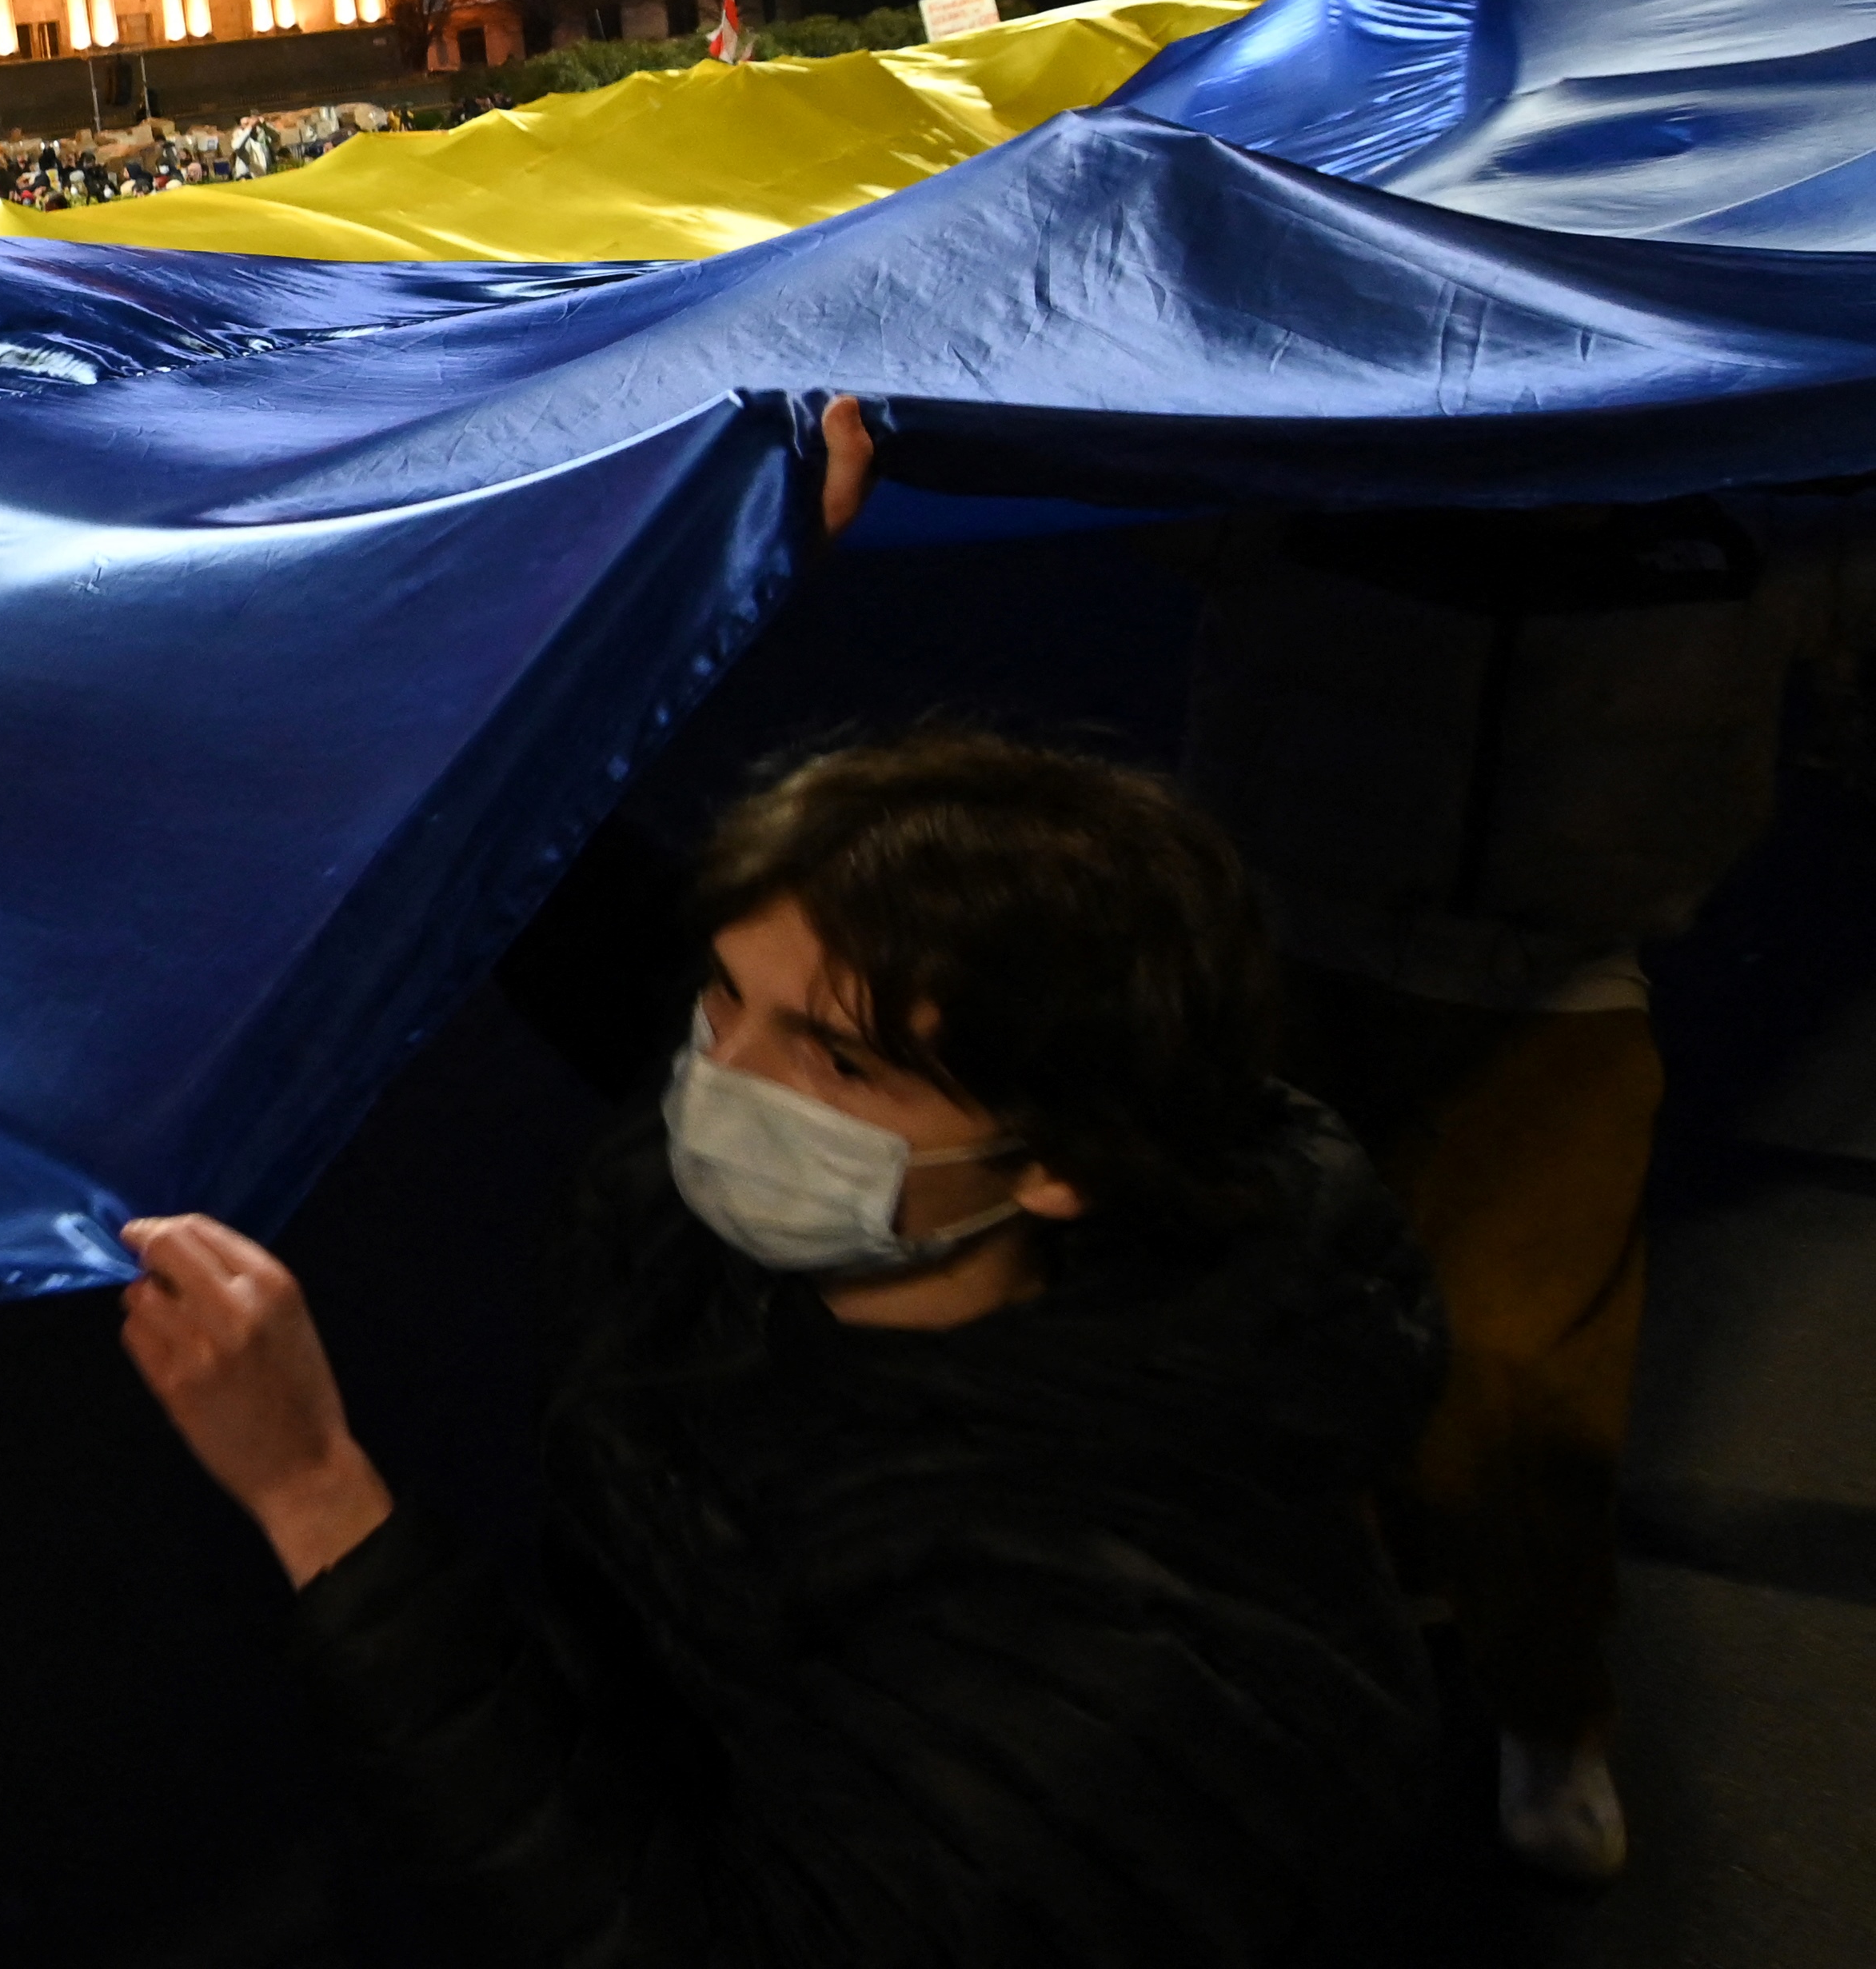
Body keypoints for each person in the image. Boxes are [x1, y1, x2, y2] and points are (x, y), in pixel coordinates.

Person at [122, 728, 1443, 1967]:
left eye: (838, 1065)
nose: (723, 1078)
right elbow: (629, 953)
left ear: (1057, 1161)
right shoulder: (894, 1203)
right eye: (725, 992)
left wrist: (317, 1493)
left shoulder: (1112, 1658)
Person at [1180, 495, 1874, 1881]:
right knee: (1244, 1337)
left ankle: (1544, 1704)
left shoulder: (1766, 448)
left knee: (1520, 1379)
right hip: (1291, 927)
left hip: (1559, 969)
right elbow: (1154, 456)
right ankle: (1271, 1659)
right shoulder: (1355, 377)